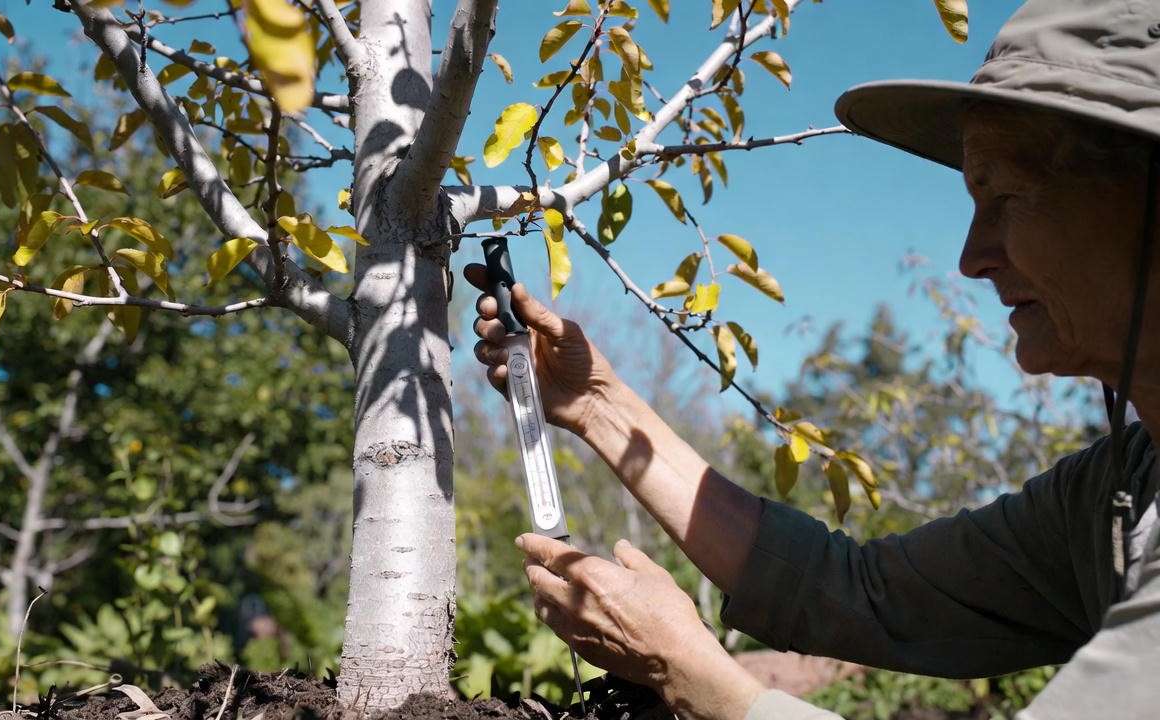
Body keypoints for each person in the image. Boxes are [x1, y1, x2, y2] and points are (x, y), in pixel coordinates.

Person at [465, 1, 1160, 718]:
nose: (971, 257)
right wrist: (598, 404)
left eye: (1007, 196)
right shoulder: (1116, 490)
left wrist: (696, 679)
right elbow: (860, 593)